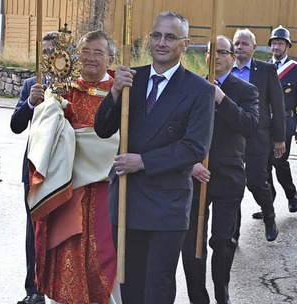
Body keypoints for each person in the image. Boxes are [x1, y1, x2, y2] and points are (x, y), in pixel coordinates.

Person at [94, 11, 215, 304]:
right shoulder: (130, 78)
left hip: (167, 205)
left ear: (185, 44)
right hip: (126, 199)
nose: (161, 43)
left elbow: (194, 147)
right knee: (130, 286)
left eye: (170, 37)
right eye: (156, 35)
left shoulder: (200, 90)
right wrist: (114, 91)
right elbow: (103, 128)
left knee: (157, 288)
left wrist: (143, 161)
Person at [27, 30, 120, 304]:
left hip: (106, 187)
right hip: (66, 188)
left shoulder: (121, 93)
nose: (90, 57)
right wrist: (42, 106)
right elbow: (45, 137)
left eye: (98, 52)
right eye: (84, 51)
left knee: (103, 253)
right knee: (67, 251)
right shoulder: (61, 89)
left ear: (111, 58)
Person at [181, 35, 259, 304]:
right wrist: (189, 163)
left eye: (223, 52)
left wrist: (221, 98)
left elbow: (249, 125)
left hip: (228, 175)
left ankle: (221, 292)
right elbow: (176, 130)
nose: (216, 57)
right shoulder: (191, 85)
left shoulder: (246, 90)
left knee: (223, 241)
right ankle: (197, 298)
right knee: (192, 243)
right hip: (195, 175)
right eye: (211, 52)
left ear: (232, 57)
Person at [10, 31, 58, 304]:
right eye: (45, 52)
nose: (49, 57)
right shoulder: (32, 84)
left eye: (54, 52)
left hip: (65, 169)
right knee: (35, 231)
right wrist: (30, 102)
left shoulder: (75, 83)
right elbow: (16, 125)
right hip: (34, 170)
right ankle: (34, 288)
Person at [231, 28, 285, 242]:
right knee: (232, 185)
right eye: (237, 43)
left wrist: (279, 138)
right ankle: (233, 232)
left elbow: (278, 105)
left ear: (254, 48)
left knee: (255, 181)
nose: (240, 47)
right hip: (230, 137)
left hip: (258, 135)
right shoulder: (225, 69)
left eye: (244, 43)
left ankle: (269, 218)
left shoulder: (266, 70)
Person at [266, 26, 297, 213]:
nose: (276, 47)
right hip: (264, 123)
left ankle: (291, 194)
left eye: (280, 43)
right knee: (263, 165)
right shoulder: (264, 67)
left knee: (279, 162)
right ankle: (268, 202)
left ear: (287, 46)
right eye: (274, 43)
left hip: (286, 120)